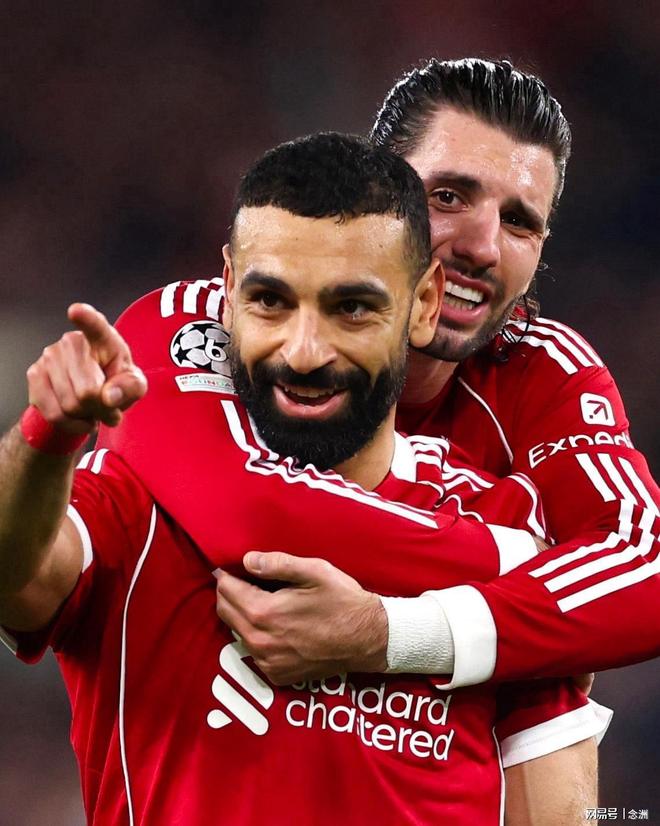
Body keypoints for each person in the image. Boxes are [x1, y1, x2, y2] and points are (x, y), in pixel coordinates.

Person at [0, 134, 605, 825]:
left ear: (425, 303)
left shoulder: (499, 518)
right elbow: (13, 574)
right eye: (271, 301)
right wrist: (46, 437)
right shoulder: (143, 499)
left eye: (352, 308)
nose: (305, 351)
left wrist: (391, 633)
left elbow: (560, 810)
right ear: (227, 293)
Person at [200, 58, 659, 687]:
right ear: (374, 188)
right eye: (447, 197)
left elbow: (646, 565)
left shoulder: (541, 371)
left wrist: (391, 633)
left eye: (519, 222)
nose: (483, 247)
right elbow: (241, 511)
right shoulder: (209, 327)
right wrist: (518, 558)